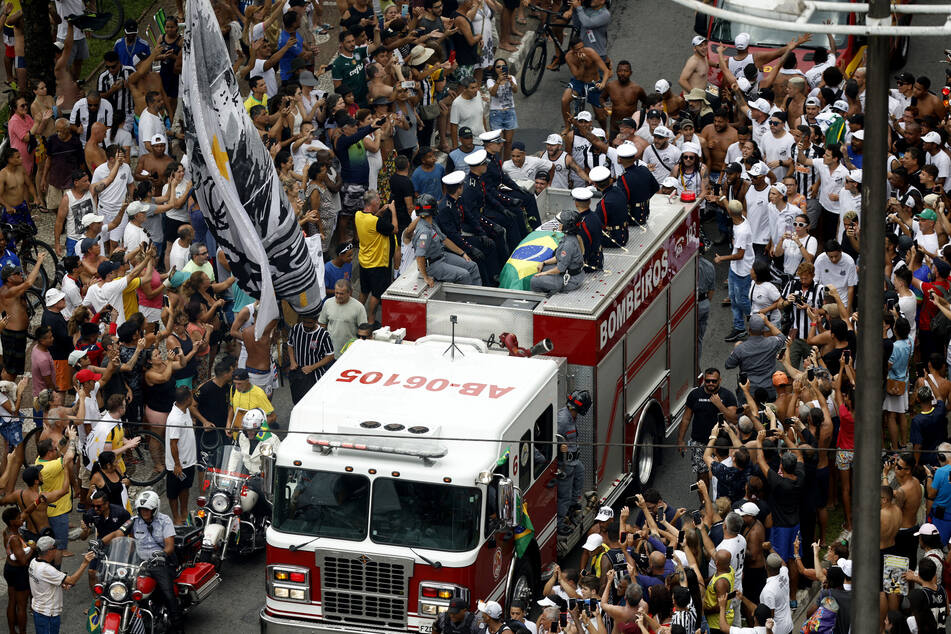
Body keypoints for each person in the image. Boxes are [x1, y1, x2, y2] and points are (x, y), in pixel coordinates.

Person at [102, 490, 182, 634]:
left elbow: (169, 545)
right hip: (137, 563)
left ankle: (177, 626)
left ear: (155, 509)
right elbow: (117, 534)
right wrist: (100, 543)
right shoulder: (134, 520)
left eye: (147, 509)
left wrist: (162, 554)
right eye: (141, 509)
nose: (144, 512)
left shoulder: (165, 520)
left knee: (168, 594)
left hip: (159, 563)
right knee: (114, 584)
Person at [679, 368, 739, 482]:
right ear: (704, 381)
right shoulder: (694, 395)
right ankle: (705, 500)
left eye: (714, 381)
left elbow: (734, 419)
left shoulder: (727, 396)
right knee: (702, 476)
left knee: (724, 475)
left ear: (720, 380)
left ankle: (721, 498)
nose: (710, 383)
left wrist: (720, 405)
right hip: (699, 443)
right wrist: (680, 440)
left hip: (721, 444)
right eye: (708, 381)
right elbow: (686, 419)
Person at [28, 536, 95, 634]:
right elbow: (71, 580)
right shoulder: (46, 569)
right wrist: (84, 563)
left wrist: (60, 584)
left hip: (39, 610)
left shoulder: (34, 562)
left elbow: (45, 581)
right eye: (55, 547)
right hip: (48, 614)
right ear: (50, 551)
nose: (57, 550)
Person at [411, 194, 481, 287]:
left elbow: (444, 240)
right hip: (432, 266)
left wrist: (462, 253)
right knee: (464, 275)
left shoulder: (431, 224)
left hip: (442, 256)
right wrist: (426, 277)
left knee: (472, 266)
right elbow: (420, 256)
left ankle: (477, 295)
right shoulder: (424, 232)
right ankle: (469, 301)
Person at [355, 190, 397, 319]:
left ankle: (356, 316)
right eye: (378, 201)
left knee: (364, 291)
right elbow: (394, 228)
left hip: (364, 261)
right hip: (378, 263)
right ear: (373, 203)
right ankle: (371, 318)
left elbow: (373, 219)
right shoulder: (376, 222)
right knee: (376, 294)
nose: (380, 203)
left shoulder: (358, 215)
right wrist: (393, 210)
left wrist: (381, 211)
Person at [716, 200, 754, 342]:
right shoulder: (740, 218)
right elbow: (729, 208)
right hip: (735, 268)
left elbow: (740, 255)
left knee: (741, 299)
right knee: (733, 297)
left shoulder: (742, 231)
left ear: (731, 213)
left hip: (743, 270)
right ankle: (739, 328)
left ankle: (755, 317)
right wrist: (722, 199)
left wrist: (722, 258)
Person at [725, 315, 787, 401]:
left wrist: (735, 349)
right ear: (763, 330)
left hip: (749, 392)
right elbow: (782, 338)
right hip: (769, 390)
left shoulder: (740, 348)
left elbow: (728, 365)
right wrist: (768, 323)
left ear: (749, 330)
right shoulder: (772, 342)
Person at [556, 390, 591, 533]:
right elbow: (550, 441)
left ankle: (571, 509)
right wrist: (559, 449)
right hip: (565, 464)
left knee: (579, 478)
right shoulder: (563, 420)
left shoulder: (571, 416)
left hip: (575, 462)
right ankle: (559, 524)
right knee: (564, 495)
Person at [531, 210, 585, 295]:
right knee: (544, 267)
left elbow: (560, 269)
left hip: (571, 280)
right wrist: (544, 262)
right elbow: (558, 257)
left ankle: (553, 291)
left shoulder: (568, 244)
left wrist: (543, 274)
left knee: (535, 281)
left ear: (567, 226)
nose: (558, 224)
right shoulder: (570, 237)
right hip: (573, 272)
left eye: (560, 223)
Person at [165, 387, 197, 526]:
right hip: (178, 465)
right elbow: (173, 444)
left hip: (189, 461)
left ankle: (184, 514)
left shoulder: (185, 410)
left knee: (185, 488)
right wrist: (177, 464)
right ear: (186, 400)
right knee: (173, 493)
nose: (193, 399)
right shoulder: (175, 419)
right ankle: (176, 518)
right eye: (191, 397)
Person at [287, 314, 335, 403]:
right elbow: (290, 345)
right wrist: (292, 362)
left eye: (309, 323)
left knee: (313, 402)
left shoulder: (323, 334)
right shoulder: (296, 329)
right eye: (304, 322)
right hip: (297, 372)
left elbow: (330, 356)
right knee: (297, 401)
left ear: (316, 321)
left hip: (315, 375)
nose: (306, 325)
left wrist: (312, 367)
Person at [319, 279, 367, 358]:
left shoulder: (359, 307)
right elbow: (322, 324)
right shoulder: (328, 303)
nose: (338, 296)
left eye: (341, 294)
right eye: (336, 293)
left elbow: (364, 331)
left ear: (349, 293)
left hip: (349, 354)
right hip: (330, 353)